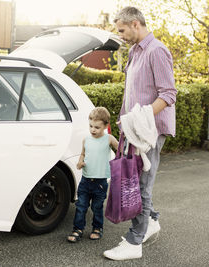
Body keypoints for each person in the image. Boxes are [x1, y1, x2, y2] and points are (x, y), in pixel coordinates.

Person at [103, 6, 177, 260]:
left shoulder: (157, 51)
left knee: (142, 185)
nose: (121, 35)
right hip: (134, 129)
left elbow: (168, 94)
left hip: (150, 130)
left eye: (122, 30)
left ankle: (135, 242)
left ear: (135, 24)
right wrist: (126, 123)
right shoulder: (135, 51)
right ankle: (152, 220)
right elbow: (132, 92)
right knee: (134, 179)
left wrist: (141, 117)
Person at [67, 107, 118, 243]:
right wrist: (80, 162)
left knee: (97, 207)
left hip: (100, 183)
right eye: (91, 126)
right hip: (85, 180)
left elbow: (121, 150)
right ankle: (77, 229)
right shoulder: (86, 140)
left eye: (97, 127)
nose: (93, 130)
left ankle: (97, 228)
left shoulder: (109, 139)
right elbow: (83, 154)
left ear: (106, 126)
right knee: (81, 206)